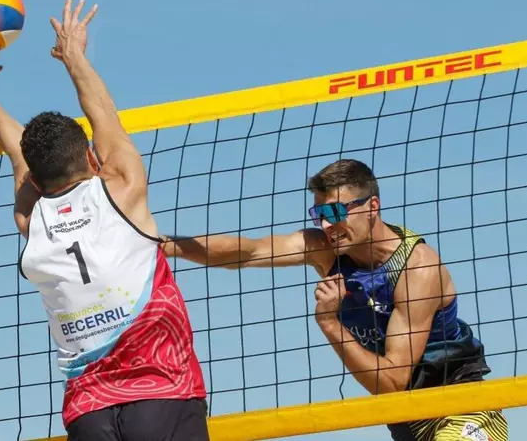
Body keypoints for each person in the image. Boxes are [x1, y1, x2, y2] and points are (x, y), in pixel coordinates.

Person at [0, 0, 208, 441]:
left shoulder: (31, 220)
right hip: (162, 391)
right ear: (92, 157)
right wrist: (73, 56)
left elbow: (11, 141)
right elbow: (102, 113)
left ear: (33, 178)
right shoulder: (122, 188)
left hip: (88, 411)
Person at [162, 159, 508, 441]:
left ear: (372, 207)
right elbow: (248, 252)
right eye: (320, 215)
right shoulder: (325, 250)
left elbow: (392, 382)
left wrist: (329, 323)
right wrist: (165, 246)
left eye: (337, 212)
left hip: (459, 405)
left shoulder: (416, 268)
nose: (328, 225)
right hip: (406, 419)